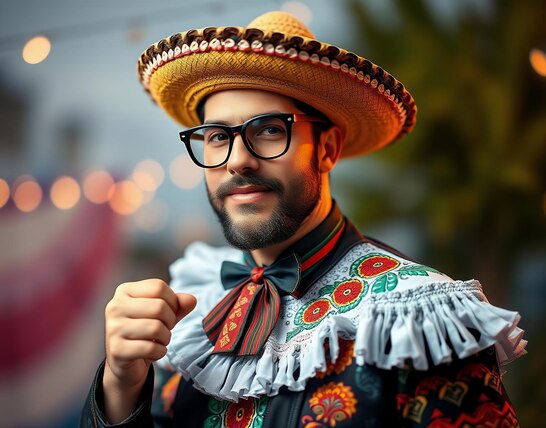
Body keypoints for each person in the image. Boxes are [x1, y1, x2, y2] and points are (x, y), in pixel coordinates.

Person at [80, 11, 526, 427]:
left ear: (327, 149)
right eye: (217, 136)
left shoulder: (419, 320)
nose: (237, 160)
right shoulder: (193, 307)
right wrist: (120, 385)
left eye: (270, 129)